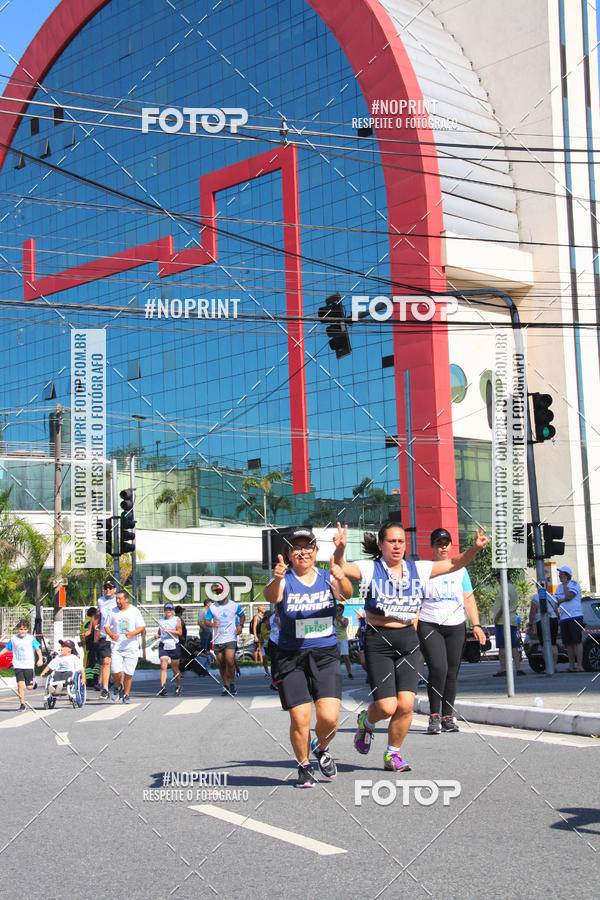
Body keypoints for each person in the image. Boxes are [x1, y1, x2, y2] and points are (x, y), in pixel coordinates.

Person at [333, 521, 489, 772]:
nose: (397, 546)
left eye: (401, 541)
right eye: (391, 541)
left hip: (408, 640)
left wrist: (475, 549)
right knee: (386, 706)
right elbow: (341, 567)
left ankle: (392, 754)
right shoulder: (371, 569)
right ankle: (366, 720)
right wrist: (340, 549)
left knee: (405, 705)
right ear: (382, 545)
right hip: (379, 641)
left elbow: (453, 564)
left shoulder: (419, 569)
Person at [264, 527, 353, 788]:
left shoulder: (327, 577)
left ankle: (321, 747)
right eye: (296, 548)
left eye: (308, 547)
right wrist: (276, 578)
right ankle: (303, 765)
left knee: (329, 719)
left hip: (325, 653)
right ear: (288, 554)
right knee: (301, 717)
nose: (303, 552)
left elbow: (346, 593)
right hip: (290, 656)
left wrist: (341, 574)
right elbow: (271, 596)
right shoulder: (284, 580)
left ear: (315, 551)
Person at [418, 528, 487, 734]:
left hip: (456, 624)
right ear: (432, 546)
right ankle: (434, 715)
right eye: (439, 543)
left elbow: (468, 598)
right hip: (429, 622)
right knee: (438, 668)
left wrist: (476, 625)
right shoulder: (425, 569)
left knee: (452, 671)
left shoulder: (461, 570)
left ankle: (448, 716)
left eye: (447, 543)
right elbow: (416, 600)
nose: (443, 547)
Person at [105, 590, 146, 703]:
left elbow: (142, 626)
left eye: (120, 598)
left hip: (131, 646)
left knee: (128, 673)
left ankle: (126, 695)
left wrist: (132, 633)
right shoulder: (113, 611)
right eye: (117, 599)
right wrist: (111, 634)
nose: (118, 601)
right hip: (116, 646)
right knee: (115, 670)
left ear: (126, 599)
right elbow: (106, 626)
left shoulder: (134, 611)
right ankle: (118, 687)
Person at [204, 583, 245, 696]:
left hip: (230, 637)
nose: (218, 594)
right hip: (218, 639)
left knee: (229, 660)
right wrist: (212, 624)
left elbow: (242, 615)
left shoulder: (234, 605)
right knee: (221, 663)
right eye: (217, 592)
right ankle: (225, 685)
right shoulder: (212, 607)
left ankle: (232, 683)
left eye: (220, 592)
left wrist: (240, 626)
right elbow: (206, 621)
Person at [5, 619, 42, 711]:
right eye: (21, 629)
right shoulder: (14, 639)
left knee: (29, 687)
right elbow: (7, 648)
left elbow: (38, 649)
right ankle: (22, 704)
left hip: (28, 665)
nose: (23, 631)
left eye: (25, 629)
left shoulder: (30, 639)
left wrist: (40, 659)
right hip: (18, 665)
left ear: (27, 630)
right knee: (20, 685)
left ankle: (34, 684)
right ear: (18, 629)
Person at [492, 572, 524, 677]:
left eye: (498, 579)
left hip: (503, 621)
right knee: (513, 645)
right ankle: (518, 668)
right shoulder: (512, 588)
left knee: (502, 646)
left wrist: (497, 616)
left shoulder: (505, 588)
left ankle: (503, 669)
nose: (498, 582)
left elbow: (506, 602)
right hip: (512, 620)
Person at [555, 565, 584, 672]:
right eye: (559, 574)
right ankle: (571, 666)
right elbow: (556, 601)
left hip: (574, 616)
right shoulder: (558, 587)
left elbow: (569, 597)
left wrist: (565, 585)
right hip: (564, 618)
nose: (560, 576)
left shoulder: (574, 584)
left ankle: (580, 665)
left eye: (562, 574)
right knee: (568, 643)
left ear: (567, 575)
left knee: (577, 641)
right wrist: (562, 599)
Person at [527, 583, 559, 669]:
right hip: (553, 619)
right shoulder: (552, 596)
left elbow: (532, 611)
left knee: (544, 644)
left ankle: (548, 666)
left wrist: (530, 623)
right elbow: (556, 611)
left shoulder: (536, 597)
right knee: (553, 643)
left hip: (541, 620)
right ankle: (554, 666)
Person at [95, 580, 118, 700]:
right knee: (106, 662)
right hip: (105, 634)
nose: (108, 590)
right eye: (106, 588)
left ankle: (119, 686)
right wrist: (96, 625)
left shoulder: (118, 599)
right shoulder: (100, 600)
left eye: (110, 588)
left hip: (117, 635)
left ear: (114, 589)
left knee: (117, 662)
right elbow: (99, 615)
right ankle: (105, 689)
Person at [156, 602, 183, 696]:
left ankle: (178, 685)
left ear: (173, 611)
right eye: (167, 609)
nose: (168, 611)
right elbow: (160, 631)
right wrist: (158, 635)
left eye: (170, 609)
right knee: (163, 665)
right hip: (164, 645)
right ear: (164, 610)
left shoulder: (176, 619)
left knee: (175, 668)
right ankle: (163, 687)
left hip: (174, 645)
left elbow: (180, 632)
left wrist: (170, 630)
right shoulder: (161, 620)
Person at [80, 606, 99, 687]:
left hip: (91, 644)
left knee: (95, 663)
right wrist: (84, 643)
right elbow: (87, 634)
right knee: (90, 663)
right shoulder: (89, 622)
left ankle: (94, 678)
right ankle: (89, 680)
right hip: (90, 645)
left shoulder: (87, 621)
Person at [335, 604, 353, 678]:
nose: (338, 611)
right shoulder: (333, 618)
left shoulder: (345, 619)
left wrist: (338, 618)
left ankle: (349, 672)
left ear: (342, 611)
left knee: (345, 656)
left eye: (340, 610)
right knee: (335, 657)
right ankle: (336, 673)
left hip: (343, 639)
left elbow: (344, 625)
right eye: (337, 610)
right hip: (334, 639)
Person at [268, 608, 280, 691]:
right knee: (274, 661)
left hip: (282, 641)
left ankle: (282, 680)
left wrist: (278, 623)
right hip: (273, 640)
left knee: (281, 661)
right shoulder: (272, 616)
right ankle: (275, 681)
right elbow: (269, 627)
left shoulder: (284, 616)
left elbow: (286, 627)